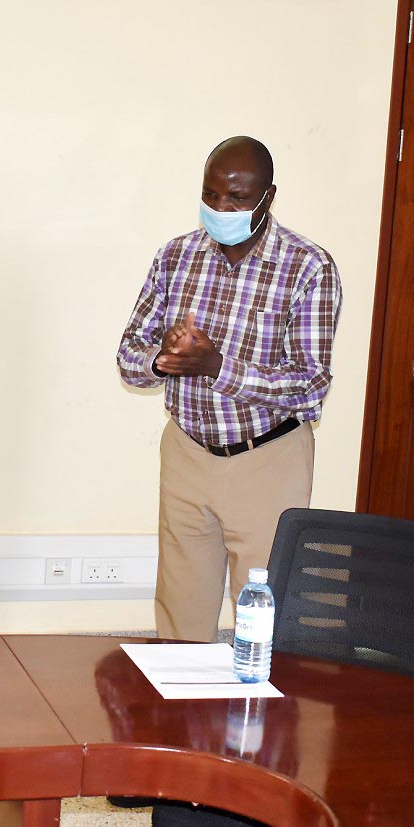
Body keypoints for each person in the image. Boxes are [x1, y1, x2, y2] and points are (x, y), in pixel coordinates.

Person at [117, 136, 341, 643]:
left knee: (261, 614)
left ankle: (255, 716)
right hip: (187, 452)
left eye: (238, 198)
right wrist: (164, 360)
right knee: (180, 610)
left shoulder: (308, 267)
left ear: (268, 196)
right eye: (212, 193)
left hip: (268, 458)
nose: (221, 207)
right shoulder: (176, 256)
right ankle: (176, 718)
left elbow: (309, 385)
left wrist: (217, 365)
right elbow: (130, 356)